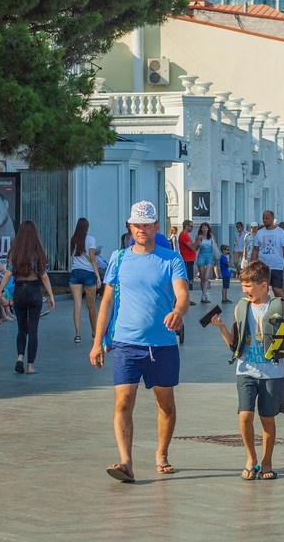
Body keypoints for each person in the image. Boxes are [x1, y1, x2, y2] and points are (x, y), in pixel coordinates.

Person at [90, 201, 189, 483]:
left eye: (147, 225)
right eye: (137, 225)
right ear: (129, 227)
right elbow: (107, 302)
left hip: (162, 344)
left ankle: (162, 453)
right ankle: (125, 462)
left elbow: (182, 295)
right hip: (125, 343)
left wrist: (178, 312)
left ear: (157, 227)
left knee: (165, 404)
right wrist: (98, 342)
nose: (142, 230)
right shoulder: (119, 258)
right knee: (123, 402)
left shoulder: (171, 259)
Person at [209, 260, 284, 480]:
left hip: (272, 373)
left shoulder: (279, 306)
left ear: (263, 285)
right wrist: (221, 327)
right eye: (243, 286)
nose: (245, 291)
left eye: (249, 286)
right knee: (245, 415)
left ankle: (267, 461)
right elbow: (234, 344)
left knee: (267, 420)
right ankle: (251, 458)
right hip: (245, 370)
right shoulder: (241, 307)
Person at [0, 221, 55, 375]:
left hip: (19, 291)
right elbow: (44, 276)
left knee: (21, 328)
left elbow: (8, 273)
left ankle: (20, 357)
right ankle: (30, 367)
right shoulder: (39, 253)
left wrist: (0, 290)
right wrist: (50, 295)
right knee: (33, 330)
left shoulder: (15, 253)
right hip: (34, 291)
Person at [69, 217, 101, 344]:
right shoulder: (91, 239)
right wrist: (98, 276)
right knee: (91, 306)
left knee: (77, 305)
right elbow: (92, 259)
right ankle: (95, 333)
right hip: (88, 273)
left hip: (75, 272)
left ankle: (77, 335)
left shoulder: (73, 239)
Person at [251, 210, 284, 299]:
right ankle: (264, 308)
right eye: (263, 218)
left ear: (272, 219)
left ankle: (282, 305)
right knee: (263, 289)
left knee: (276, 289)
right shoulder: (260, 233)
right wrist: (252, 265)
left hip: (277, 266)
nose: (265, 220)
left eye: (267, 218)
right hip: (263, 267)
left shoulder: (280, 232)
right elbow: (255, 250)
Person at [194, 222, 218, 304]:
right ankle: (203, 294)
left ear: (208, 229)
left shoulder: (211, 236)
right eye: (203, 228)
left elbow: (214, 246)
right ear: (201, 229)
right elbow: (196, 248)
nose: (204, 230)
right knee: (203, 277)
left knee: (207, 277)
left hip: (209, 257)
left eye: (206, 228)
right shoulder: (198, 237)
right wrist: (198, 242)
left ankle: (204, 295)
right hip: (201, 256)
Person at [177, 220, 197, 306]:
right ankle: (185, 298)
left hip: (190, 259)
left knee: (189, 280)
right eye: (191, 226)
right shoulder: (184, 235)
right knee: (186, 280)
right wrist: (197, 240)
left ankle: (187, 298)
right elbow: (192, 247)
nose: (192, 228)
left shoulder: (186, 235)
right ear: (186, 226)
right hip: (186, 259)